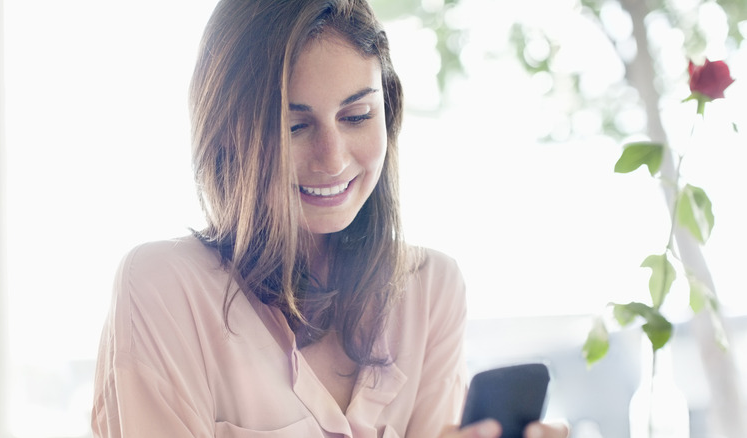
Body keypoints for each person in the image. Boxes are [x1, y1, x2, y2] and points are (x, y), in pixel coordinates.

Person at [91, 0, 569, 437]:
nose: (332, 159)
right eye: (294, 126)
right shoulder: (163, 289)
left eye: (357, 116)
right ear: (228, 133)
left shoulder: (431, 290)